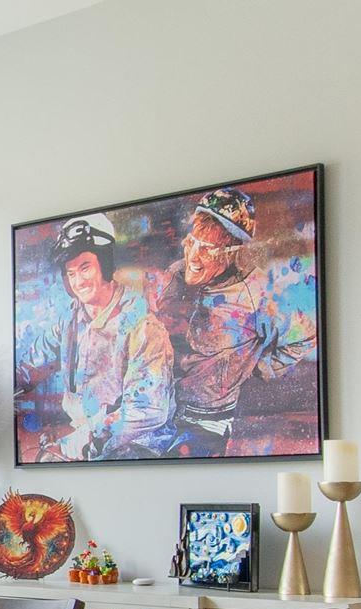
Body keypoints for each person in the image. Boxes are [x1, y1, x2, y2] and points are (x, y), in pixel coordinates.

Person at [166, 187, 313, 457]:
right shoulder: (173, 276)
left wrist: (259, 369)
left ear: (232, 252)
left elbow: (306, 336)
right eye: (192, 242)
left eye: (208, 249)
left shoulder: (258, 295)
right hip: (160, 412)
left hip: (207, 422)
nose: (194, 257)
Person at [46, 214, 177, 460]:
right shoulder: (71, 318)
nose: (78, 281)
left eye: (85, 268)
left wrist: (87, 438)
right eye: (71, 273)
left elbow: (146, 409)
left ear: (106, 264)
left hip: (137, 446)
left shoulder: (143, 326)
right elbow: (34, 360)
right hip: (82, 441)